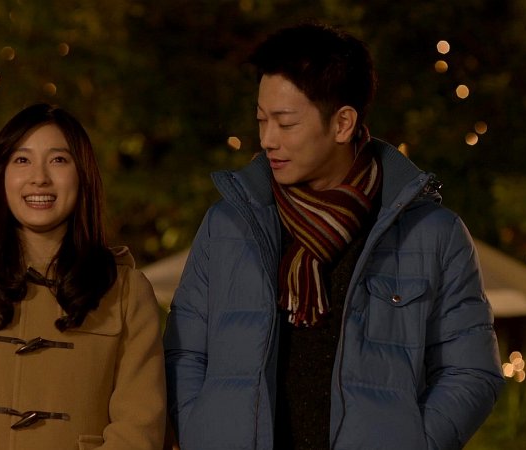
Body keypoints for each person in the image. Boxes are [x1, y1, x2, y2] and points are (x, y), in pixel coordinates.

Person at [163, 22, 505, 450]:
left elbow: (471, 372)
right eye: (261, 120)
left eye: (285, 123)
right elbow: (184, 354)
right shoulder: (227, 226)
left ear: (343, 123)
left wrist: (413, 441)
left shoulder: (431, 235)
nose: (267, 140)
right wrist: (203, 433)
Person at [0, 103, 166, 449]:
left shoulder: (126, 292)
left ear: (83, 174)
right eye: (22, 160)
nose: (40, 177)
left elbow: (138, 427)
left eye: (59, 160)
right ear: (0, 175)